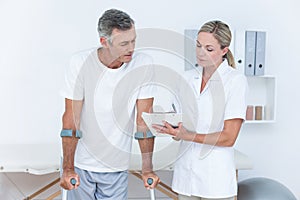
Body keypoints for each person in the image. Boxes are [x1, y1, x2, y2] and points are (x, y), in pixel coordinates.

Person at [59, 9, 160, 199]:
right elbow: (72, 119)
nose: (131, 48)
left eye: (133, 41)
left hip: (116, 166)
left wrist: (148, 169)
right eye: (124, 44)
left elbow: (144, 121)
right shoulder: (79, 63)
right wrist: (68, 168)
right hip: (81, 166)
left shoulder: (143, 64)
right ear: (104, 42)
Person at [153, 20, 248, 200]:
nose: (201, 53)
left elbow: (229, 137)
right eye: (198, 46)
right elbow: (179, 124)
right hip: (186, 176)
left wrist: (185, 135)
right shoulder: (187, 78)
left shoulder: (235, 81)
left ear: (224, 51)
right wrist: (170, 128)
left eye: (209, 49)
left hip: (215, 181)